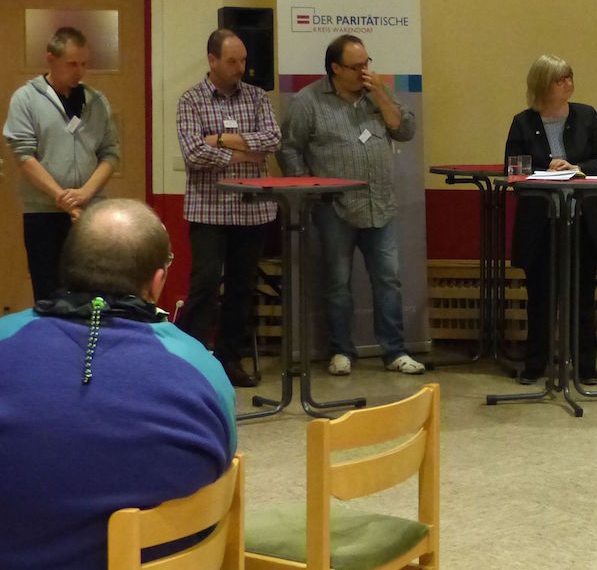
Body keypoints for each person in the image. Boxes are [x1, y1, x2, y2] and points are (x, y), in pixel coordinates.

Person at [0, 199, 236, 570]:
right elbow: (220, 460)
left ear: (65, 269)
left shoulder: (5, 339)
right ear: (157, 282)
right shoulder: (200, 364)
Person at [280, 34, 425, 376]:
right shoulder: (307, 101)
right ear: (336, 68)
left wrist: (382, 96)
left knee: (388, 280)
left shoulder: (378, 93)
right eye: (356, 66)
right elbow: (289, 148)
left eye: (367, 63)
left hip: (380, 204)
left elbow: (405, 131)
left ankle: (395, 351)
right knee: (337, 283)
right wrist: (307, 190)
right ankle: (341, 351)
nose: (364, 71)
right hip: (335, 208)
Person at [175, 28, 281, 387]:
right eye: (233, 61)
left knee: (242, 288)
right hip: (209, 210)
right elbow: (193, 153)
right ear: (213, 60)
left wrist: (220, 140)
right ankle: (188, 361)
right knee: (205, 285)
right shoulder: (191, 100)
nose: (241, 68)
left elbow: (272, 139)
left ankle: (229, 360)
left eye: (244, 60)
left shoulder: (257, 97)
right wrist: (245, 154)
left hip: (252, 211)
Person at [504, 54, 597, 385]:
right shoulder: (523, 122)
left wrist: (575, 168)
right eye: (560, 79)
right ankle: (536, 363)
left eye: (569, 76)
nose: (568, 83)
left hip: (581, 220)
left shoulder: (587, 116)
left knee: (582, 296)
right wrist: (545, 171)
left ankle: (586, 365)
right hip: (541, 222)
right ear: (542, 85)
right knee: (540, 297)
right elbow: (512, 169)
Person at [3, 27, 120, 302]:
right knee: (49, 292)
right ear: (51, 59)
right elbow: (24, 156)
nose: (79, 72)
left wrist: (85, 194)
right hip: (44, 213)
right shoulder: (26, 99)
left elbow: (110, 154)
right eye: (72, 64)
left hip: (89, 212)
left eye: (84, 64)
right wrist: (63, 198)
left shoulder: (96, 102)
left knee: (91, 289)